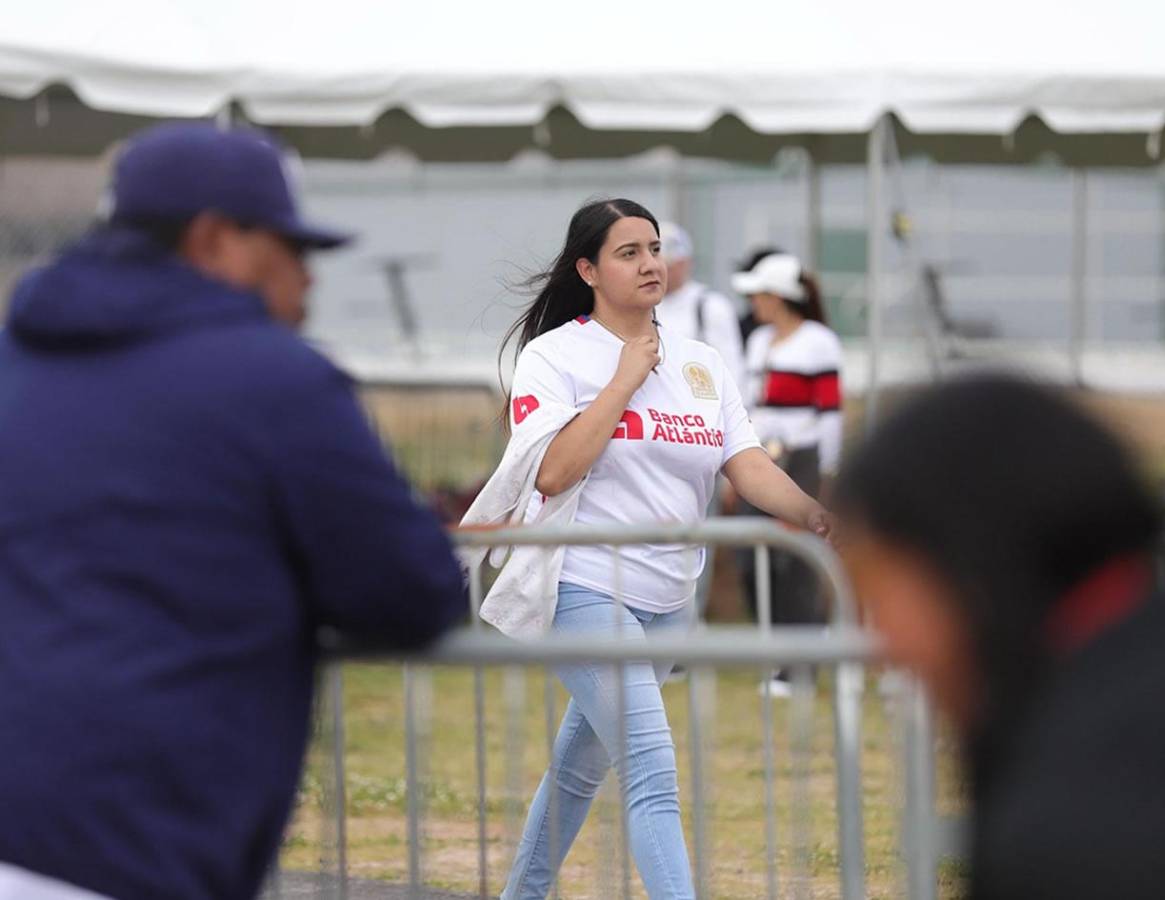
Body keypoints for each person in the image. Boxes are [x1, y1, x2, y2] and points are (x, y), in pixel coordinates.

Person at [0, 123, 466, 900]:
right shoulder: (274, 381)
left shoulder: (13, 364)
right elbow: (412, 591)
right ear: (214, 239)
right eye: (290, 249)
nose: (307, 281)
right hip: (127, 842)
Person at [472, 199, 833, 899]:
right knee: (651, 769)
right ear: (588, 270)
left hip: (670, 598)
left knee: (579, 770)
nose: (650, 264)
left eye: (655, 248)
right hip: (581, 585)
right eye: (628, 252)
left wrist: (817, 514)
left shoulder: (702, 363)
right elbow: (553, 472)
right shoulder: (555, 356)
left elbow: (747, 462)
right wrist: (625, 378)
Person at [835, 374, 1165, 900]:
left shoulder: (1080, 831)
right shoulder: (1152, 651)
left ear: (969, 562)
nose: (882, 641)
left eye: (880, 585)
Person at [732, 252, 843, 696]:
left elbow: (830, 412)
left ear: (778, 296)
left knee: (796, 561)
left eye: (759, 293)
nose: (754, 302)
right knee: (748, 556)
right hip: (760, 458)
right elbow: (749, 402)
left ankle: (798, 666)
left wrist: (826, 469)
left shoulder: (818, 341)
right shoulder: (758, 342)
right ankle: (784, 648)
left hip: (802, 459)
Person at [654, 221, 745, 392]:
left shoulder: (711, 306)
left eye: (670, 264)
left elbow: (731, 368)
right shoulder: (641, 306)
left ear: (685, 263)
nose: (660, 271)